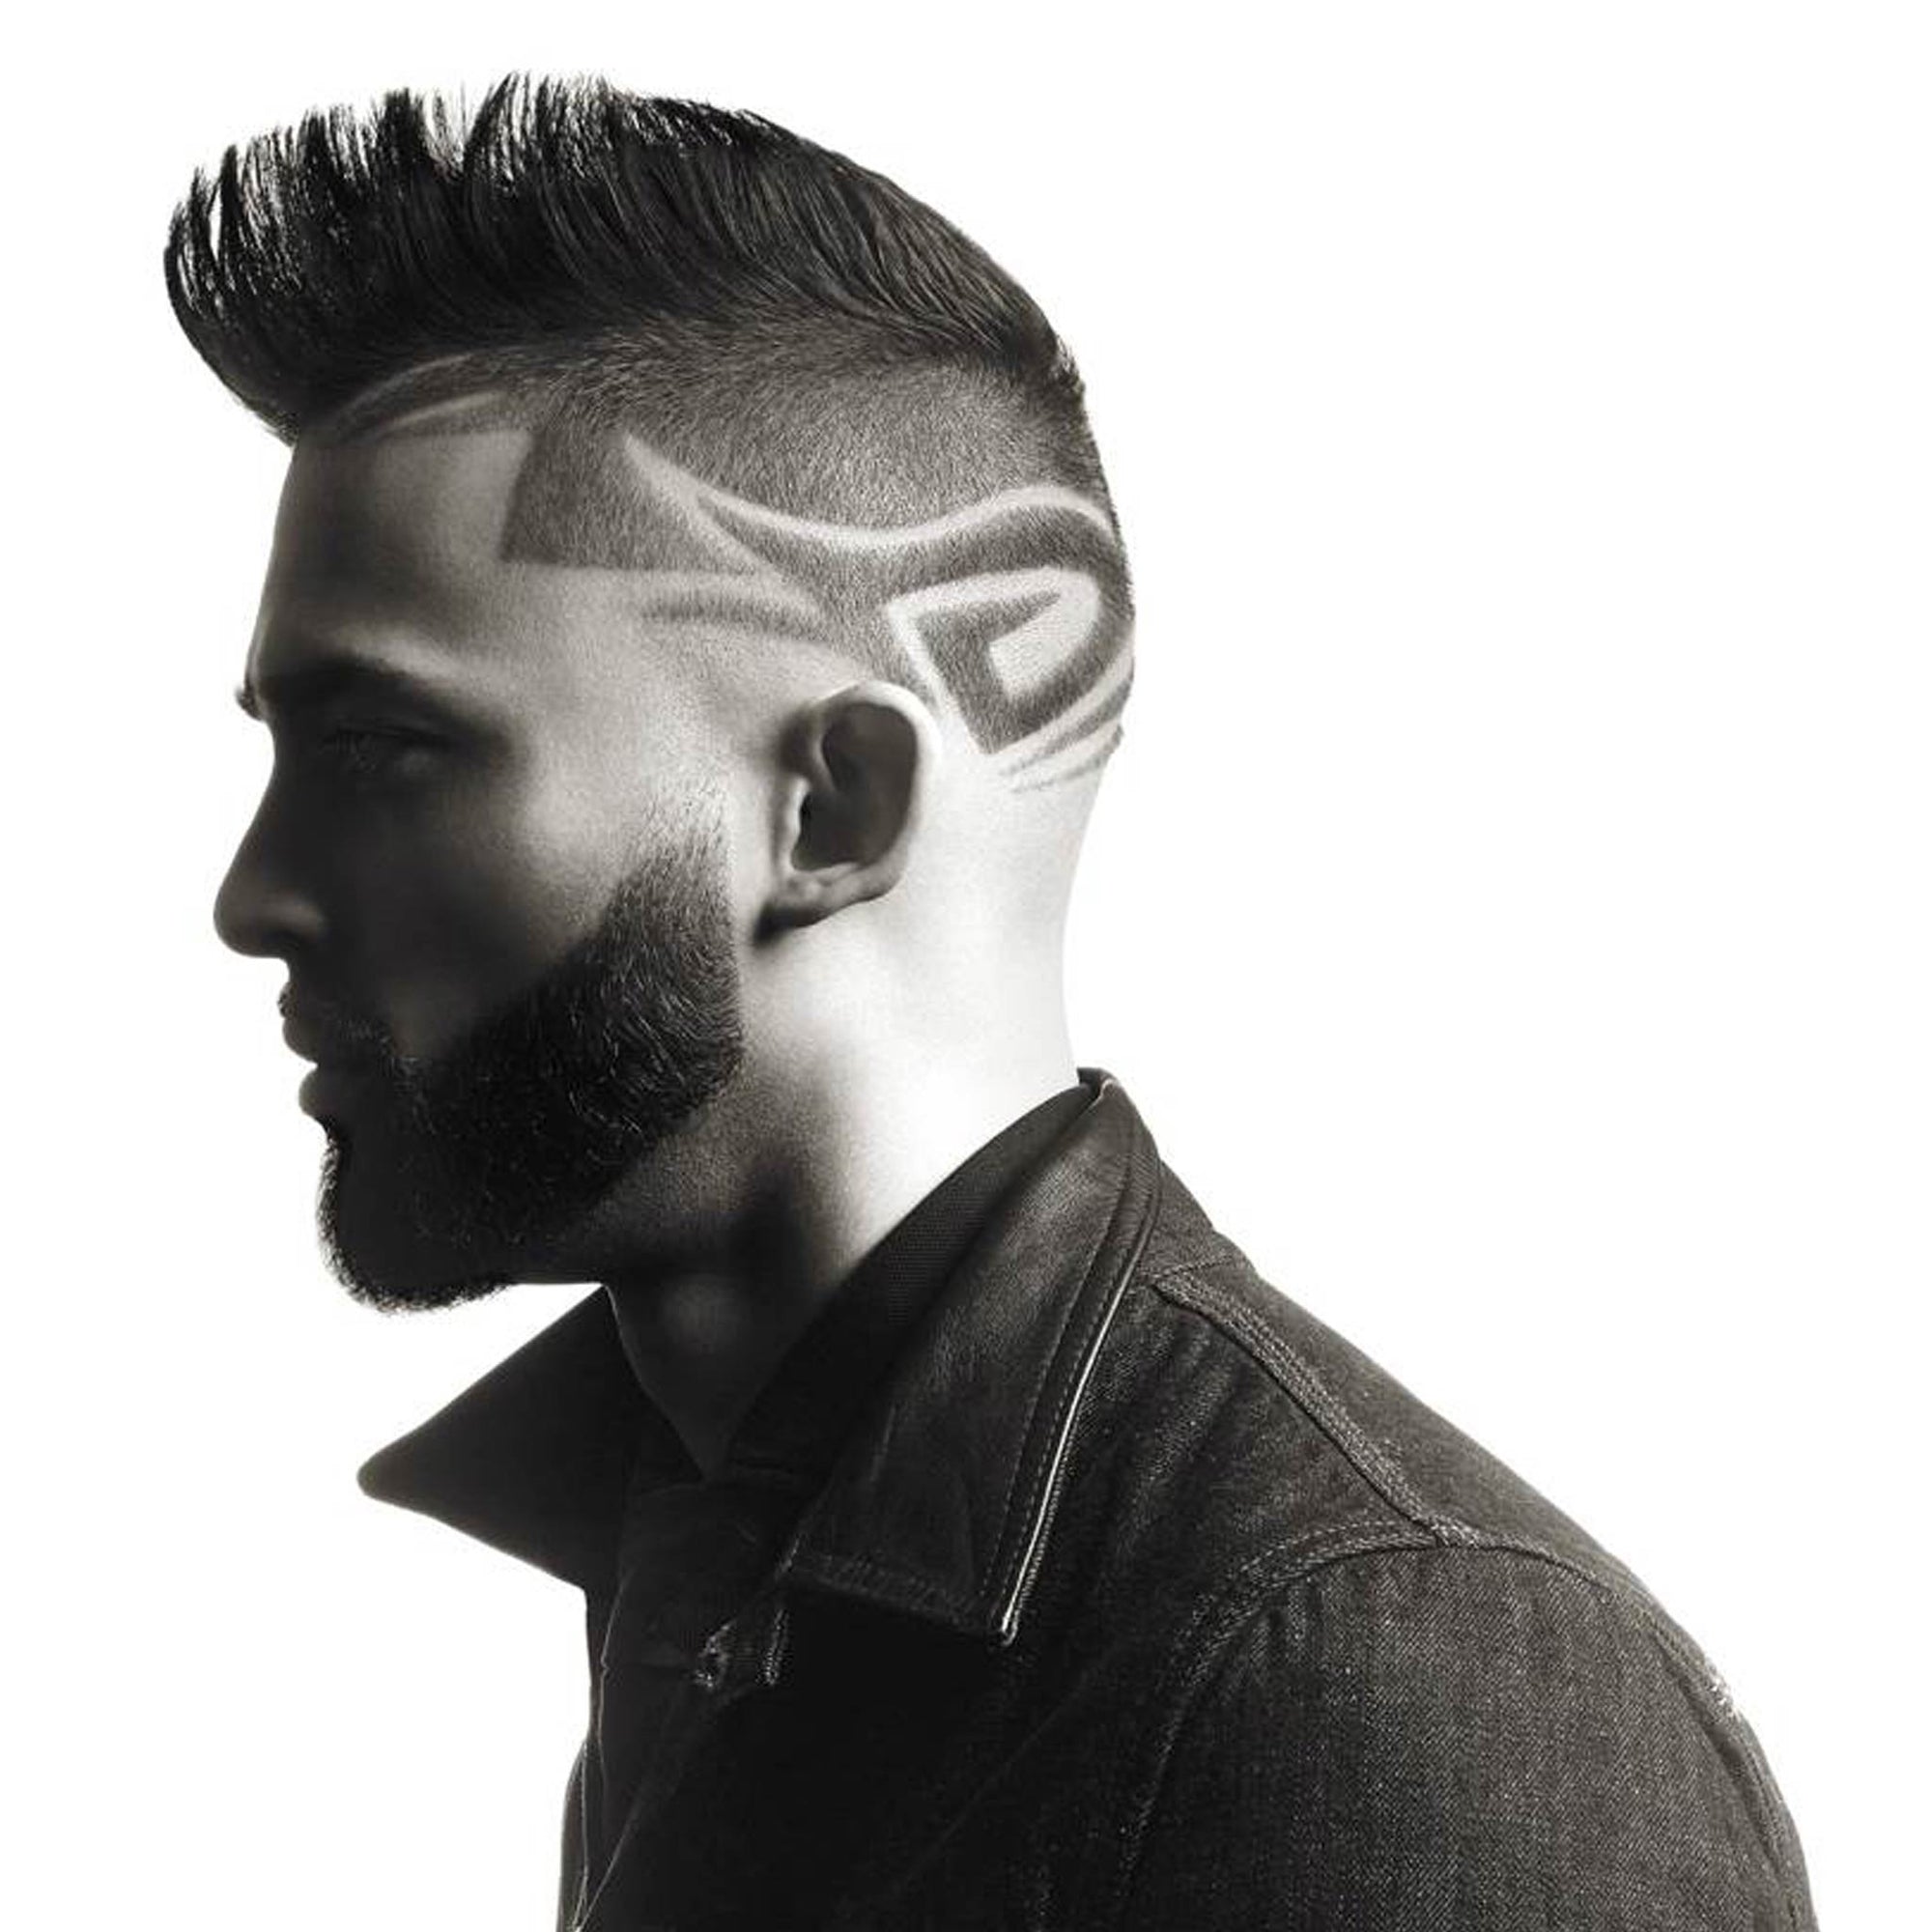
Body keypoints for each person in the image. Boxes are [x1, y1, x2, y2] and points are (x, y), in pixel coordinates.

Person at [168, 77, 1816, 1931]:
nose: (255, 897)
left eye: (382, 751)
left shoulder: (1387, 1684)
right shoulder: (717, 1563)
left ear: (833, 811)